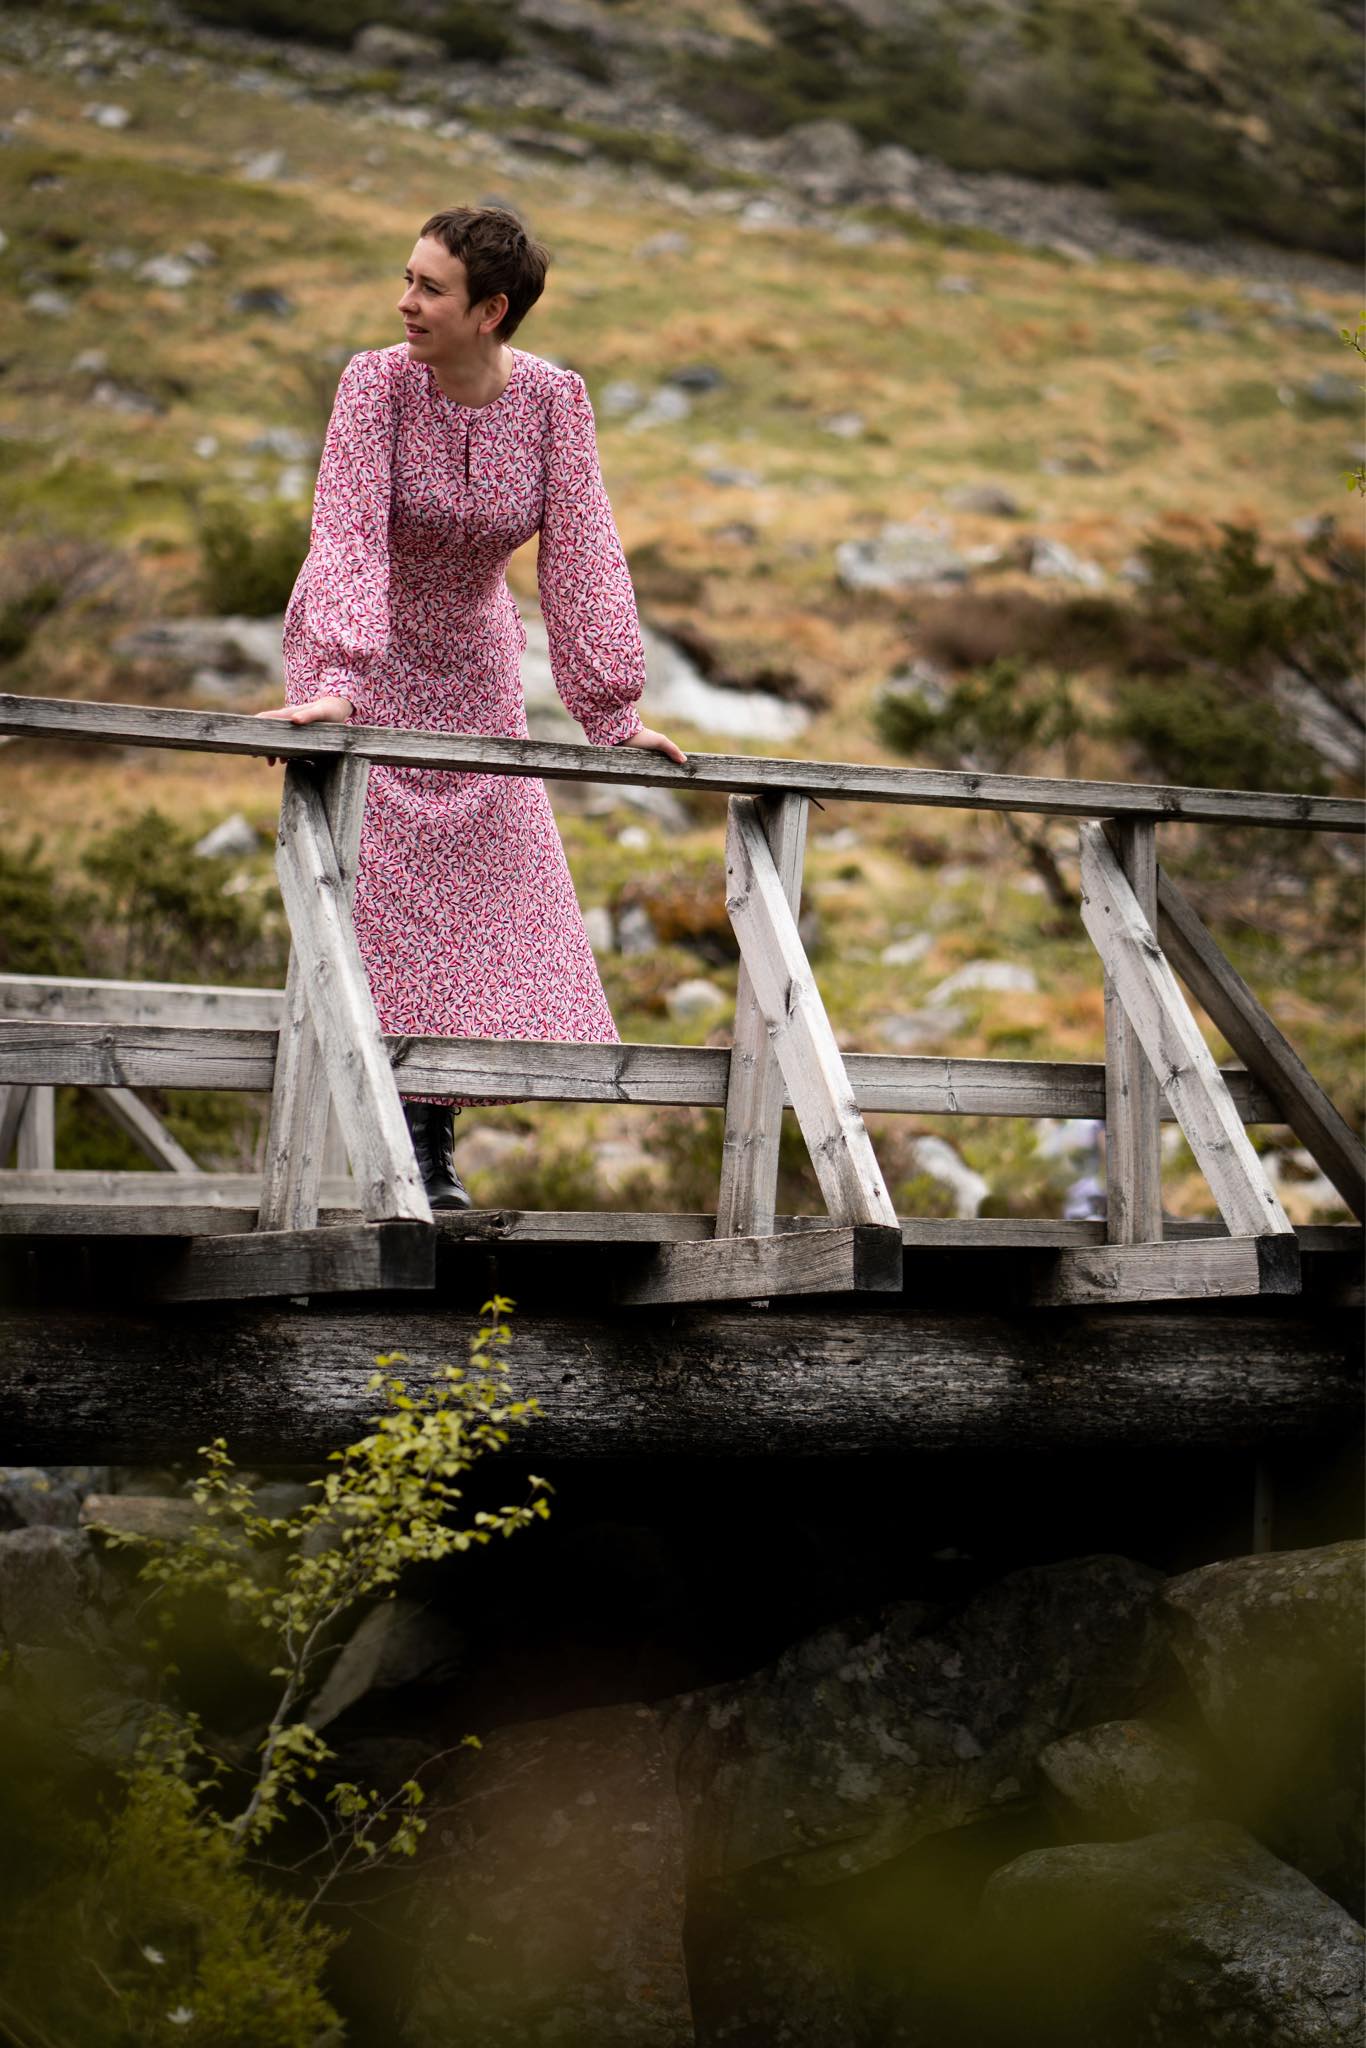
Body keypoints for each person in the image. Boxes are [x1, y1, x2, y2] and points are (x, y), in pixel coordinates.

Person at [256, 207, 686, 1210]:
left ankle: (435, 1134)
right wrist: (337, 678)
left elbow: (583, 551)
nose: (405, 302)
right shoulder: (374, 383)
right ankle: (394, 1143)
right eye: (406, 279)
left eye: (430, 288)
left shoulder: (553, 401)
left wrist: (612, 710)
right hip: (362, 648)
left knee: (485, 891)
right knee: (376, 891)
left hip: (478, 667)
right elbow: (345, 530)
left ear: (490, 311)